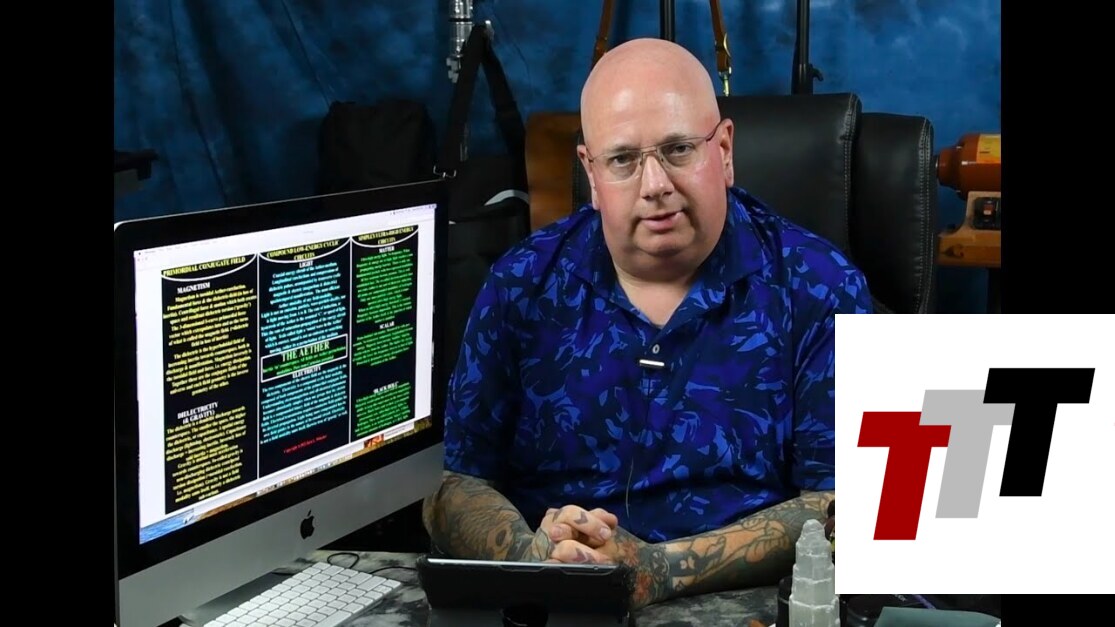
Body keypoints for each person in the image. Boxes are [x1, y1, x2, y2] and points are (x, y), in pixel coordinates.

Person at [422, 37, 871, 610]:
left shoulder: (820, 287)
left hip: (747, 607)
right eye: (623, 160)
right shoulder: (521, 283)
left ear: (724, 150)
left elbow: (843, 506)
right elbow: (454, 486)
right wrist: (535, 560)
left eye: (678, 149)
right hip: (553, 606)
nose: (654, 185)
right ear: (590, 172)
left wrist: (659, 569)